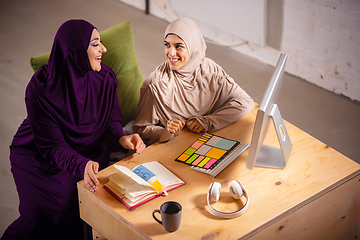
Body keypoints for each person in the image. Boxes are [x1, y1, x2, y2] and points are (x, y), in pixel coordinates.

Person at [1, 19, 146, 240]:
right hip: (40, 157)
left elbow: (111, 121)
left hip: (88, 155)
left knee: (80, 217)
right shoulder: (39, 89)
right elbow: (52, 145)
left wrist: (121, 138)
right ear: (75, 51)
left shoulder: (105, 78)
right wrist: (81, 164)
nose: (103, 49)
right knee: (38, 222)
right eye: (96, 44)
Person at [132, 18, 254, 145]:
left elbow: (244, 102)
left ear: (193, 47)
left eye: (178, 46)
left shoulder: (210, 70)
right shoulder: (155, 84)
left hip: (208, 142)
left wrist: (208, 121)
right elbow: (141, 129)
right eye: (167, 45)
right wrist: (165, 131)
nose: (171, 53)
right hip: (173, 148)